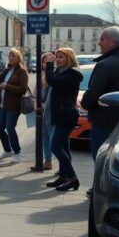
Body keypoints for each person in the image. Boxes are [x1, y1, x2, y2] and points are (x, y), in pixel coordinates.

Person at [80, 26, 119, 196]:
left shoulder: (105, 65)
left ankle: (100, 190)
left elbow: (93, 94)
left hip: (104, 121)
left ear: (112, 42)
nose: (99, 43)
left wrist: (85, 102)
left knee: (101, 159)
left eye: (102, 39)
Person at [44, 48, 84, 191]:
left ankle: (72, 178)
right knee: (64, 147)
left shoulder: (73, 74)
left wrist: (49, 65)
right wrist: (49, 67)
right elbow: (52, 80)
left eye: (61, 57)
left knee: (55, 146)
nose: (58, 59)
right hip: (59, 114)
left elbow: (53, 82)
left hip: (66, 115)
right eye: (57, 57)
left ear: (69, 59)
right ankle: (63, 175)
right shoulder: (60, 72)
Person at [0, 49, 29, 163]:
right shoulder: (8, 69)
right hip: (2, 104)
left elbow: (23, 89)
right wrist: (5, 70)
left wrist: (7, 86)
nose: (10, 58)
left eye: (13, 56)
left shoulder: (22, 72)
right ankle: (8, 150)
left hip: (14, 105)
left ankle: (17, 152)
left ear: (19, 58)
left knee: (10, 127)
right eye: (9, 56)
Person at [30, 52, 55, 171]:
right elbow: (35, 93)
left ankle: (55, 161)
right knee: (44, 136)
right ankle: (48, 160)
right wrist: (35, 103)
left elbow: (52, 95)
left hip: (50, 111)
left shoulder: (53, 75)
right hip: (40, 110)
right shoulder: (41, 75)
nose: (45, 64)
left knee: (52, 136)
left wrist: (42, 105)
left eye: (47, 62)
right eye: (43, 62)